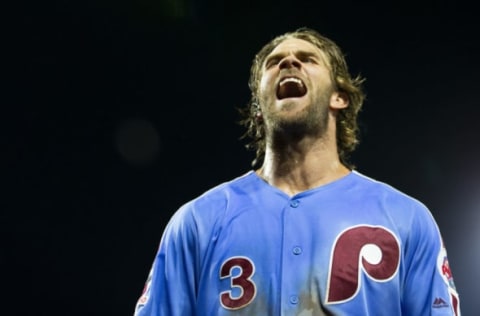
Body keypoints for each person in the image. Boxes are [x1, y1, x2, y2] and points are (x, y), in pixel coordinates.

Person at [134, 27, 461, 315]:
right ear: (258, 109)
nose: (289, 63)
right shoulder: (198, 222)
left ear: (339, 97)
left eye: (308, 58)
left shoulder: (406, 219)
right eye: (274, 62)